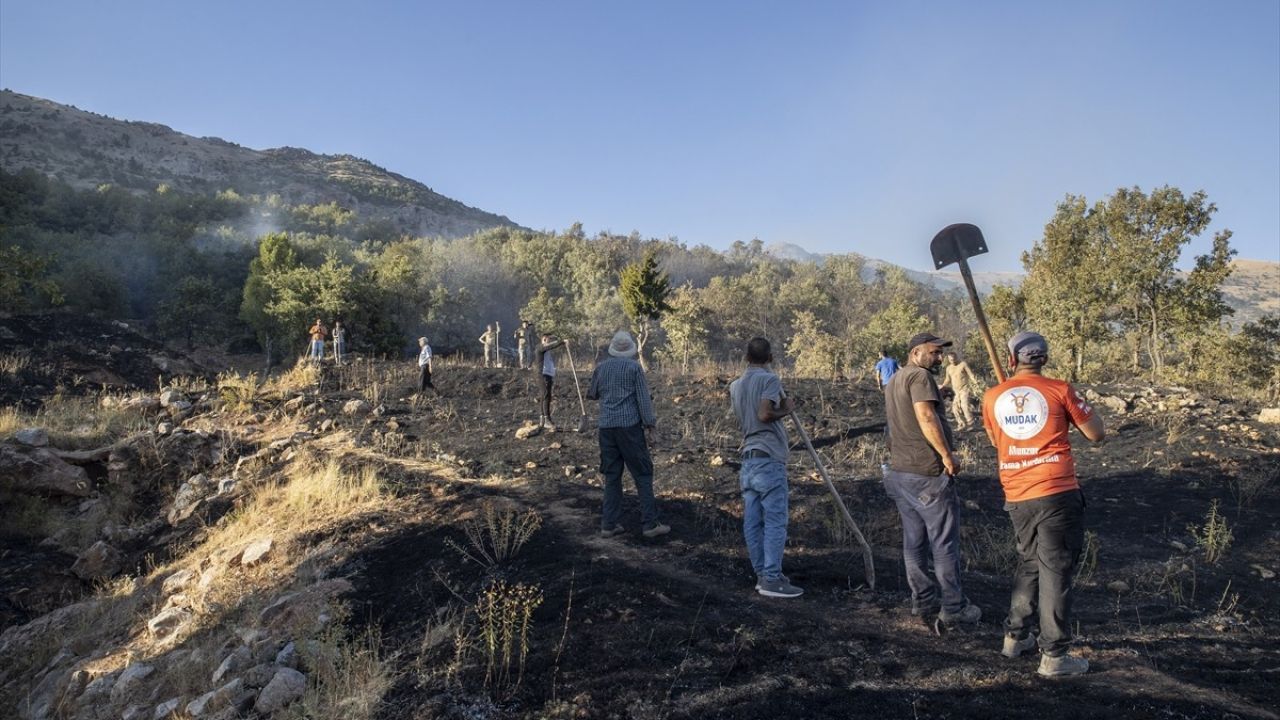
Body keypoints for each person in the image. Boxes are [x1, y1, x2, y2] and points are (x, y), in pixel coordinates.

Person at [982, 331, 1104, 677]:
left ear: (1011, 360)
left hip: (1017, 494)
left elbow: (995, 439)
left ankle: (1015, 637)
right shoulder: (1060, 390)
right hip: (1056, 491)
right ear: (1044, 360)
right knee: (1056, 569)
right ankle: (1054, 656)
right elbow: (1096, 433)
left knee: (1031, 562)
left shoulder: (992, 397)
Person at [882, 332, 980, 623]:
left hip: (901, 472)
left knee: (914, 540)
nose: (938, 358)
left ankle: (922, 601)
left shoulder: (894, 381)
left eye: (939, 353)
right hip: (927, 473)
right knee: (943, 541)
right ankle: (954, 607)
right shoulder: (921, 378)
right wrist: (947, 455)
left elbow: (892, 427)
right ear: (915, 353)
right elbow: (926, 416)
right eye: (933, 352)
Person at [729, 337, 803, 598]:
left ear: (746, 358)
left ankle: (763, 574)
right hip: (768, 459)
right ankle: (772, 579)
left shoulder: (735, 386)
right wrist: (786, 410)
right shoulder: (770, 380)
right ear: (770, 358)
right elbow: (763, 414)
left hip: (748, 459)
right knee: (774, 521)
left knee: (752, 520)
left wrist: (777, 407)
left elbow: (748, 417)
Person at [587, 330, 669, 539]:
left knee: (612, 476)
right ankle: (650, 524)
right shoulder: (634, 368)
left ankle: (608, 524)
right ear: (630, 350)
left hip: (606, 429)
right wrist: (651, 426)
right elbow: (643, 400)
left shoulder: (601, 368)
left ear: (612, 350)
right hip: (629, 429)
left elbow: (592, 394)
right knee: (643, 474)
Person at [940, 351, 982, 430]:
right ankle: (962, 424)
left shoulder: (963, 364)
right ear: (949, 360)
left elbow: (970, 375)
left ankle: (971, 423)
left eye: (954, 359)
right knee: (955, 408)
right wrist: (942, 386)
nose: (953, 361)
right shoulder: (948, 368)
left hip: (964, 389)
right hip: (956, 391)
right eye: (951, 360)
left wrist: (976, 383)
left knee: (964, 406)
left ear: (956, 357)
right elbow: (947, 379)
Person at [534, 333, 566, 429]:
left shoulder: (546, 350)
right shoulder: (540, 347)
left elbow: (551, 345)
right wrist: (562, 342)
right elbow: (551, 346)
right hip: (542, 375)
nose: (549, 341)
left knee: (545, 396)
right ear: (544, 339)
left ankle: (542, 420)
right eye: (548, 339)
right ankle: (546, 420)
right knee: (545, 396)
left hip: (547, 375)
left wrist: (559, 340)